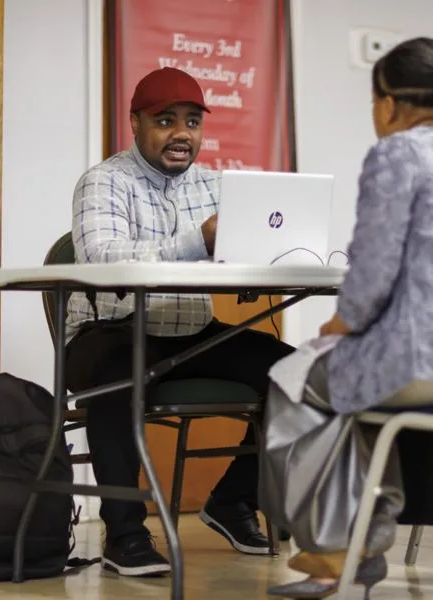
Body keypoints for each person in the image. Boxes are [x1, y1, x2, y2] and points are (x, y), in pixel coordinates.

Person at [261, 37, 433, 599]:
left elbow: (371, 276)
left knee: (295, 379)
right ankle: (360, 539)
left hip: (426, 367)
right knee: (352, 384)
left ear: (387, 103)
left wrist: (341, 325)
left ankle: (342, 547)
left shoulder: (396, 155)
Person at [64, 67, 294, 577]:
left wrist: (272, 257)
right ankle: (124, 536)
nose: (181, 134)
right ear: (135, 123)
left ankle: (232, 502)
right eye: (165, 121)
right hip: (111, 332)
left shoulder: (218, 187)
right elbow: (103, 260)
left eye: (192, 121)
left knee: (303, 376)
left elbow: (239, 254)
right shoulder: (103, 182)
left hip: (190, 332)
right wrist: (201, 240)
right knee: (113, 379)